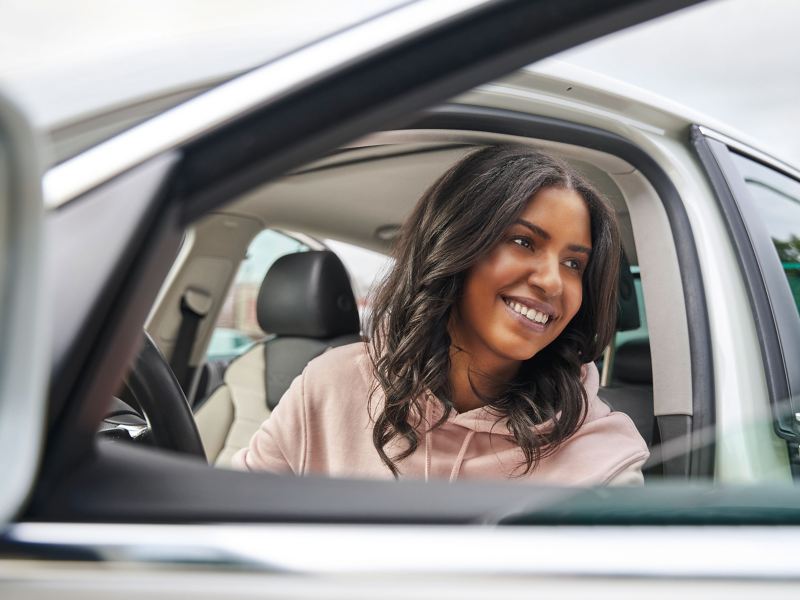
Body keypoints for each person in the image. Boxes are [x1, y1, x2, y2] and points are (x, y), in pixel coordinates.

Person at [233, 145, 649, 485]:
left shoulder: (602, 458)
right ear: (455, 248)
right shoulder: (328, 388)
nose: (553, 282)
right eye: (523, 241)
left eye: (574, 264)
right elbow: (228, 532)